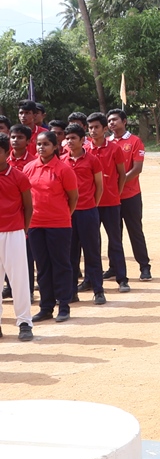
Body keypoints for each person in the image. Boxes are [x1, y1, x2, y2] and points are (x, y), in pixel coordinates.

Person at [26, 130, 79, 324]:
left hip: (59, 225)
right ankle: (46, 307)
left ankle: (64, 305)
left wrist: (63, 215)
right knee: (42, 267)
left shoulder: (64, 169)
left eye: (46, 144)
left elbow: (73, 198)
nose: (41, 147)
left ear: (55, 146)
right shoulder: (30, 168)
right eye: (39, 144)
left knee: (61, 264)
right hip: (35, 224)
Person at [106, 109, 151, 281]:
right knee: (113, 233)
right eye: (109, 121)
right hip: (111, 197)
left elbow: (137, 168)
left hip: (130, 195)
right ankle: (113, 267)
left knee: (135, 231)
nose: (111, 123)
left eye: (115, 120)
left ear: (124, 121)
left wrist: (120, 183)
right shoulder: (107, 143)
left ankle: (144, 266)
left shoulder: (134, 141)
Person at [87, 113, 129, 293]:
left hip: (111, 202)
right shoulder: (85, 149)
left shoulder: (114, 149)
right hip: (90, 204)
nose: (93, 131)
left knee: (115, 241)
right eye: (90, 128)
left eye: (96, 127)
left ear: (105, 129)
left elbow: (122, 174)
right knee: (91, 243)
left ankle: (122, 278)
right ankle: (90, 279)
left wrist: (116, 194)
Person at [63, 125, 105, 305]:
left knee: (92, 252)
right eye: (68, 138)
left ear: (82, 140)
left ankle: (98, 290)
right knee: (70, 254)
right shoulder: (62, 160)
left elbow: (99, 186)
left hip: (88, 212)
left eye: (74, 138)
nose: (70, 141)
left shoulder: (93, 160)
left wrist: (92, 205)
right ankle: (71, 292)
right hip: (67, 214)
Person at [0, 133, 34, 341]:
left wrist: (24, 230)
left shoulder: (19, 176)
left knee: (19, 280)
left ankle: (24, 322)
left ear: (6, 153)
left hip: (14, 232)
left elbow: (28, 206)